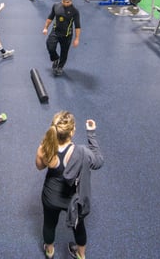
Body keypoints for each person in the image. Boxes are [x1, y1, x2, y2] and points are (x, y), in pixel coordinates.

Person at [35, 111, 104, 259]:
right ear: (72, 132)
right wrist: (91, 134)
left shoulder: (44, 148)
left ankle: (49, 251)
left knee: (49, 224)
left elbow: (40, 167)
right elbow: (99, 161)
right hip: (73, 200)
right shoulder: (82, 152)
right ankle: (80, 254)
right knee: (79, 227)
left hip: (50, 197)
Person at [42, 0, 81, 76]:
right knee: (50, 46)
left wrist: (77, 38)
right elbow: (50, 17)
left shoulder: (75, 11)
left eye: (67, 2)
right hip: (55, 31)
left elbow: (77, 26)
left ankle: (60, 67)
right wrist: (45, 28)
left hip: (66, 35)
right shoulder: (56, 6)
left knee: (64, 53)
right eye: (63, 1)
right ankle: (55, 58)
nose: (65, 3)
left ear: (71, 0)